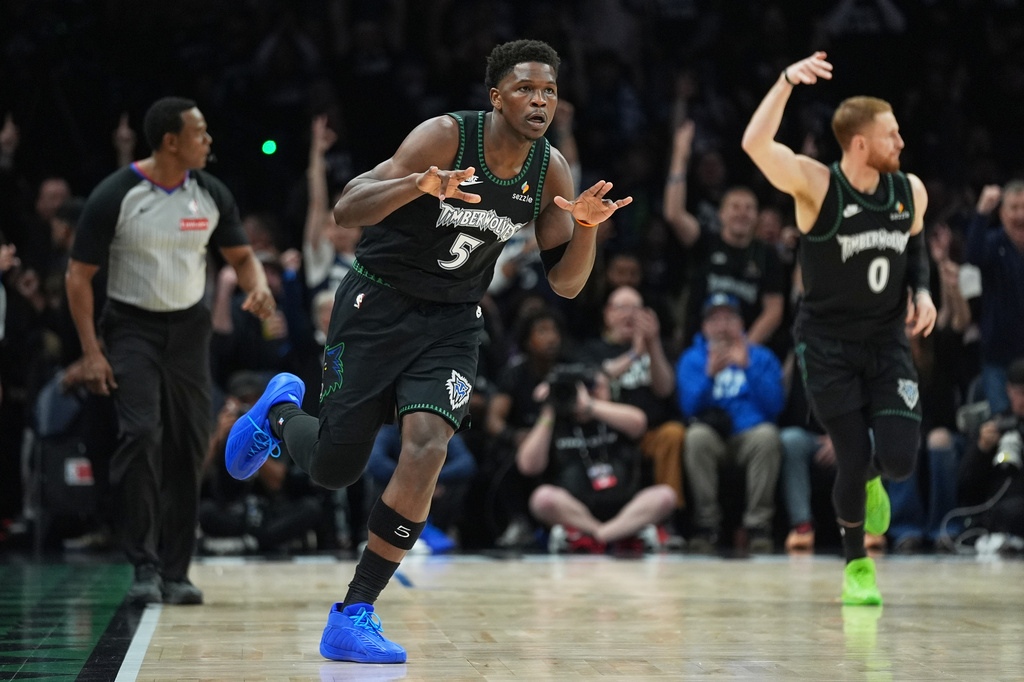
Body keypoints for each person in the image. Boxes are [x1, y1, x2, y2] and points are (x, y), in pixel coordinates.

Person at [224, 39, 632, 664]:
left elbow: (567, 283)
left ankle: (355, 611)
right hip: (377, 304)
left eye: (548, 91)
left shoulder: (550, 170)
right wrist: (417, 184)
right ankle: (279, 415)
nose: (539, 101)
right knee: (337, 467)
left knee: (429, 446)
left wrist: (584, 229)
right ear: (496, 96)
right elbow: (346, 207)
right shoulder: (444, 137)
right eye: (525, 88)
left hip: (452, 322)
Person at [742, 52, 937, 605]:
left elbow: (915, 243)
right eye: (891, 135)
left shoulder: (910, 191)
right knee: (849, 455)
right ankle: (856, 567)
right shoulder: (817, 186)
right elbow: (755, 146)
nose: (901, 142)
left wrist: (921, 291)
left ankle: (876, 476)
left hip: (885, 340)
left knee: (897, 460)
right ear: (860, 143)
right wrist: (783, 82)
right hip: (826, 344)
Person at [64, 97, 275, 605]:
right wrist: (92, 351)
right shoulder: (117, 194)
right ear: (170, 142)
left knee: (187, 445)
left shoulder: (211, 193)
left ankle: (176, 572)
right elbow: (78, 277)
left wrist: (258, 284)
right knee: (139, 435)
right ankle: (143, 565)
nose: (208, 141)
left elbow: (242, 254)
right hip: (131, 326)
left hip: (189, 331)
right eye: (199, 133)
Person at [516, 365, 676, 554]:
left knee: (665, 496)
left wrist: (590, 406)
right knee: (542, 498)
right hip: (575, 512)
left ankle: (600, 536)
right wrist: (549, 409)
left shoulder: (614, 417)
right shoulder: (557, 423)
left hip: (625, 510)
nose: (585, 394)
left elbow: (639, 423)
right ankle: (606, 533)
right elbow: (528, 466)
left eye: (593, 387)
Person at [675, 294, 785, 554]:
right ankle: (706, 526)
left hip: (749, 436)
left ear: (742, 324)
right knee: (695, 436)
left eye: (729, 318)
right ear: (703, 327)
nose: (722, 325)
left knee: (768, 436)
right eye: (714, 319)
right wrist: (708, 377)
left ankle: (758, 527)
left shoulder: (761, 357)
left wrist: (748, 367)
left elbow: (776, 406)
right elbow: (687, 408)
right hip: (713, 437)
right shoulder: (692, 359)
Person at [965, 182, 1024, 415]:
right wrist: (981, 213)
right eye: (1014, 207)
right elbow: (972, 256)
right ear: (1002, 213)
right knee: (1002, 424)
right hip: (998, 357)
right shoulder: (993, 242)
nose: (1020, 214)